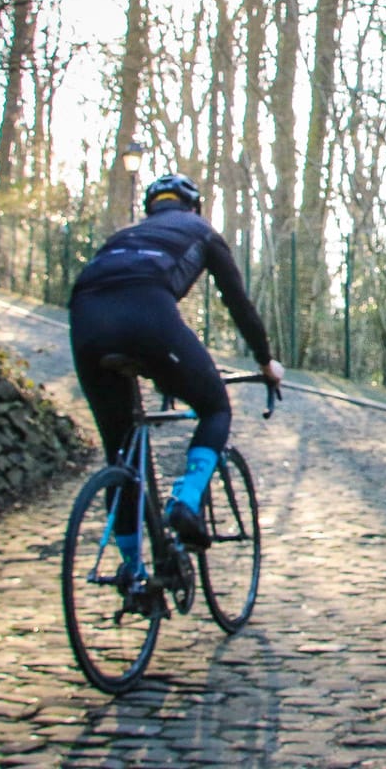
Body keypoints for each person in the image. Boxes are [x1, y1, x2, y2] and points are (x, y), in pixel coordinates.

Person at [68, 172, 284, 590]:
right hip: (147, 311)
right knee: (215, 406)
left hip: (85, 319)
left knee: (121, 455)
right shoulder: (202, 231)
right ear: (193, 207)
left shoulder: (122, 237)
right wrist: (264, 359)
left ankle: (133, 572)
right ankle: (186, 501)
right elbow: (237, 302)